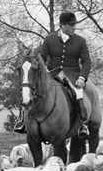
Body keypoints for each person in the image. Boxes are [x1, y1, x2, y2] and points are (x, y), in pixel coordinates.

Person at [14, 11, 92, 139]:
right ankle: (22, 120)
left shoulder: (80, 41)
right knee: (29, 91)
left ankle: (83, 125)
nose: (74, 27)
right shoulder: (49, 39)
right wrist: (39, 64)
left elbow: (86, 61)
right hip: (52, 73)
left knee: (77, 92)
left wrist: (82, 77)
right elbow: (43, 57)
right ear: (62, 25)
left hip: (72, 75)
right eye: (71, 25)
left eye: (74, 24)